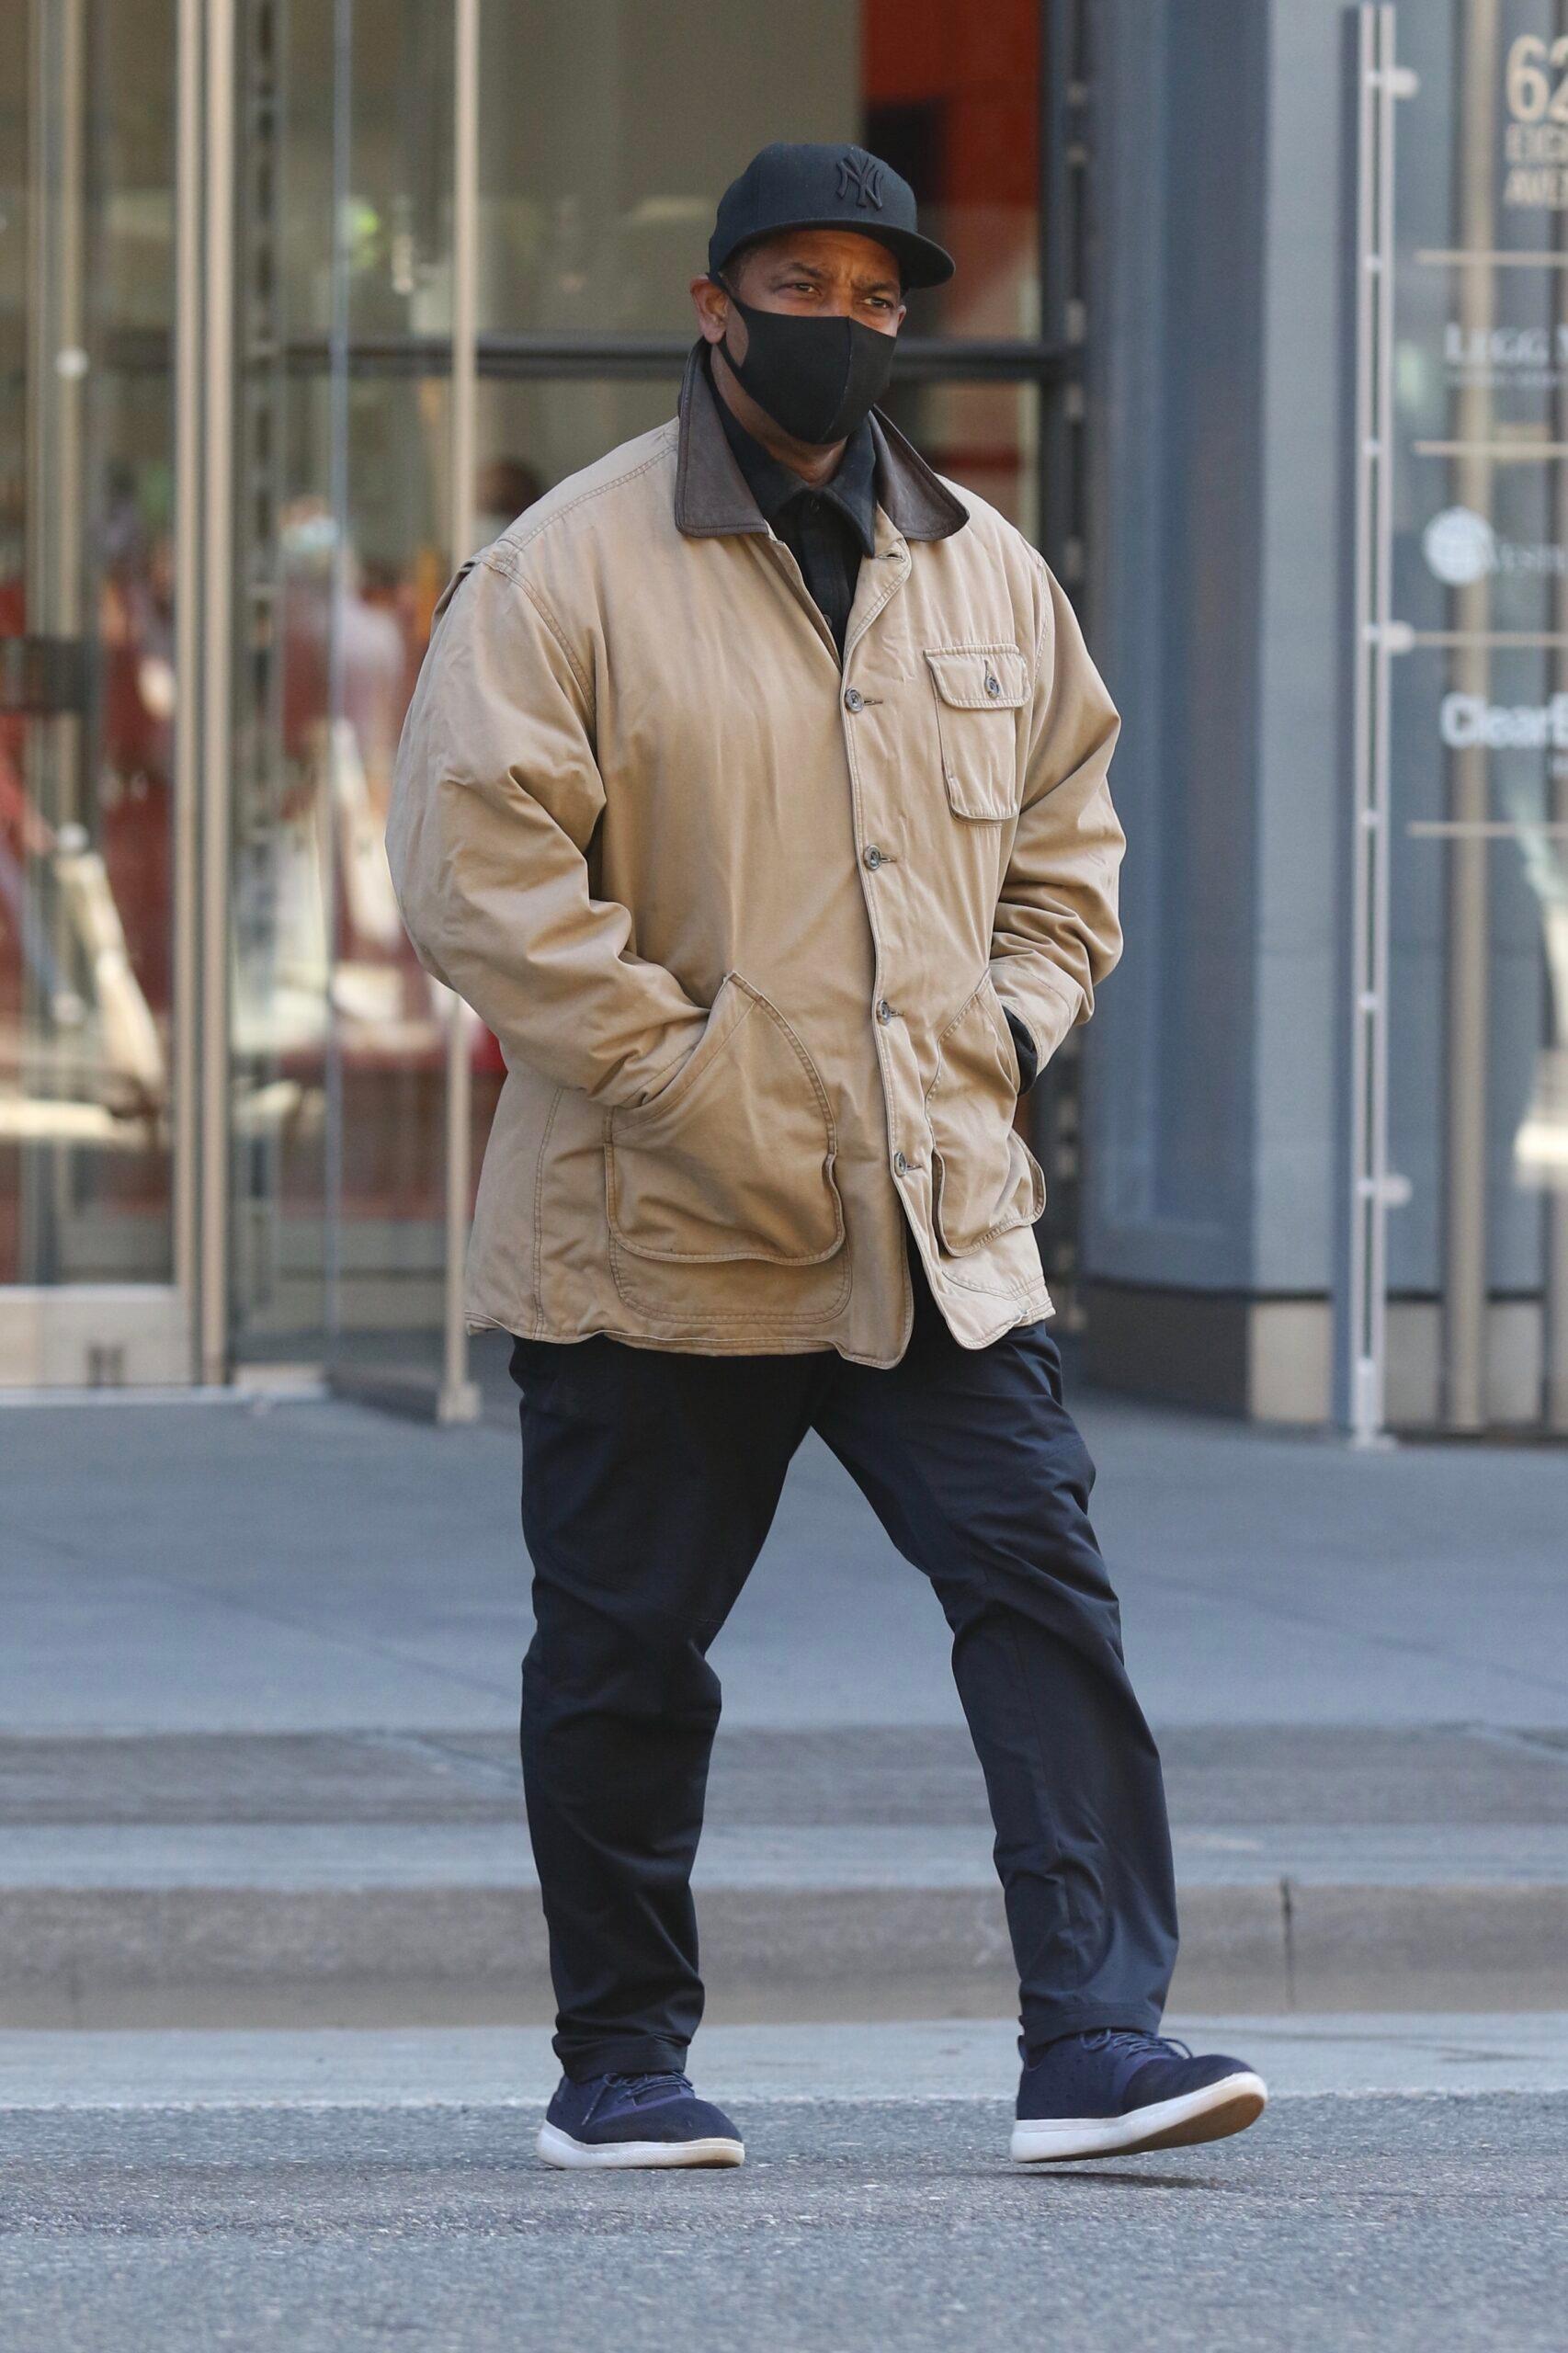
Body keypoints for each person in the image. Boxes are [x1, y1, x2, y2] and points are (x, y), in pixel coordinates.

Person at [389, 141, 1267, 2172]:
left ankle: (1094, 2038)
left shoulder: (984, 566)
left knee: (1041, 1592)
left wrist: (1009, 1026)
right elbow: (480, 883)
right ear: (714, 304)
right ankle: (620, 2064)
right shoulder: (569, 567)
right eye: (804, 284)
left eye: (880, 298)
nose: (844, 325)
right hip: (661, 1230)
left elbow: (1067, 846)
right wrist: (696, 1089)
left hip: (939, 1229)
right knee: (623, 1654)